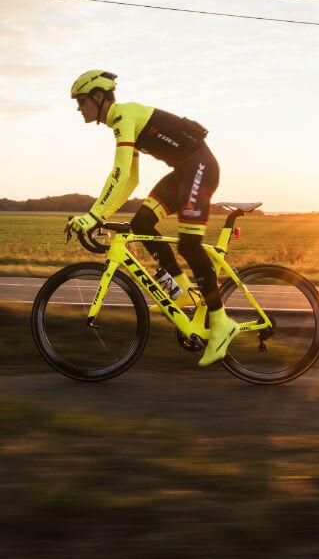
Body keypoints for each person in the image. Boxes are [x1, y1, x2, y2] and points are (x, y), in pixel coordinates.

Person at [66, 69, 238, 366]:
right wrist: (98, 215)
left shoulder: (122, 115)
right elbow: (129, 180)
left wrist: (94, 215)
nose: (78, 109)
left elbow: (119, 174)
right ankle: (183, 290)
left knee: (189, 245)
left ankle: (221, 322)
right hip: (184, 171)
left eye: (81, 101)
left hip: (199, 167)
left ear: (97, 96)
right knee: (141, 223)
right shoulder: (122, 122)